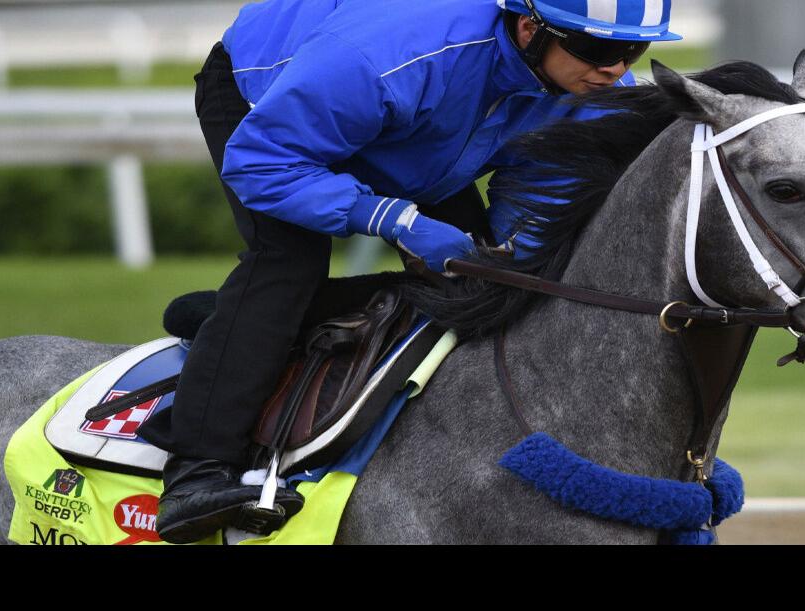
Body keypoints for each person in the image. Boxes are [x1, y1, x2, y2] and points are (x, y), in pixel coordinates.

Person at [136, 0, 681, 544]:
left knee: (486, 285)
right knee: (287, 263)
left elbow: (535, 192)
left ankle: (249, 324)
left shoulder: (592, 89)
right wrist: (392, 217)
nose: (614, 68)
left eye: (633, 49)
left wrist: (508, 261)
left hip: (414, 117)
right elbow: (261, 163)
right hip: (273, 108)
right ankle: (197, 469)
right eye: (598, 48)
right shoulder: (387, 57)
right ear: (528, 26)